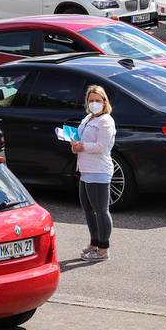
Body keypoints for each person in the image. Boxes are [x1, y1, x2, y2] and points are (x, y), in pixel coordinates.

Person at [70, 85, 116, 263]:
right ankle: (94, 243)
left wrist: (83, 147)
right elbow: (82, 140)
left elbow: (101, 146)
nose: (94, 103)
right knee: (88, 209)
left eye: (98, 100)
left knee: (101, 210)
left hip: (99, 170)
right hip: (85, 169)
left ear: (104, 102)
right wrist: (75, 145)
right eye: (91, 100)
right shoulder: (88, 117)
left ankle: (103, 249)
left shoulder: (106, 121)